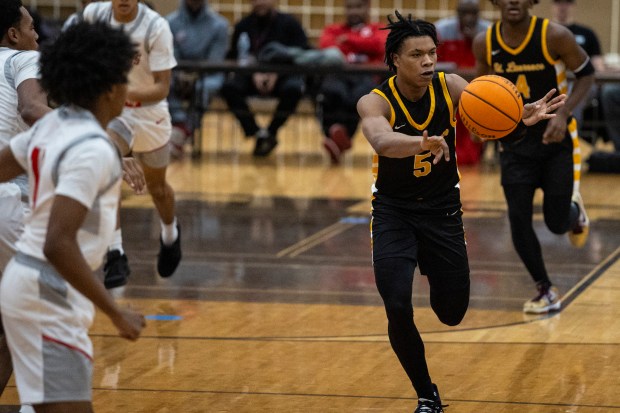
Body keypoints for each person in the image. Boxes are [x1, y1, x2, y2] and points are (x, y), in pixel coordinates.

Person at [357, 10, 564, 413]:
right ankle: (426, 395)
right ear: (395, 59)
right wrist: (421, 143)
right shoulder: (374, 101)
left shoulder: (451, 86)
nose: (428, 62)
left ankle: (434, 268)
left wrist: (517, 117)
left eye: (432, 53)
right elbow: (381, 141)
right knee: (397, 303)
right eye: (417, 55)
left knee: (451, 314)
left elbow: (487, 117)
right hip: (393, 213)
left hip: (443, 213)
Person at [0, 20, 145, 412]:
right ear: (112, 88)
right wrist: (116, 312)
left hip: (24, 284)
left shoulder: (54, 126)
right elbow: (58, 242)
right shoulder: (92, 148)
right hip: (47, 291)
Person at [472, 0, 595, 313]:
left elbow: (586, 74)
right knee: (518, 218)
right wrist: (479, 125)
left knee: (556, 224)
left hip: (555, 141)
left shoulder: (554, 35)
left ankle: (573, 213)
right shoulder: (484, 42)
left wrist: (564, 113)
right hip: (514, 145)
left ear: (531, 2)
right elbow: (480, 90)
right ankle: (545, 288)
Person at [82, 0, 182, 288]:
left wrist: (123, 94)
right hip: (115, 114)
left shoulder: (155, 26)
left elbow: (162, 87)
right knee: (107, 167)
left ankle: (170, 235)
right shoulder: (94, 15)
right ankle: (116, 253)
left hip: (149, 113)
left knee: (158, 189)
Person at [220, 0, 310, 157]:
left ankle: (271, 131)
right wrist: (253, 72)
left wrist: (277, 73)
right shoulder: (243, 25)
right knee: (229, 87)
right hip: (251, 76)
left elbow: (302, 54)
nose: (260, 2)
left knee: (293, 89)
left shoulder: (290, 23)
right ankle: (256, 132)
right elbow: (234, 57)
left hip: (283, 76)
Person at [315, 0, 387, 164]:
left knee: (359, 97)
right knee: (332, 92)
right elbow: (327, 47)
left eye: (358, 7)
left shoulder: (377, 28)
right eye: (349, 7)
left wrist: (347, 40)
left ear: (367, 8)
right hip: (339, 75)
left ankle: (337, 137)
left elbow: (380, 46)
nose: (353, 11)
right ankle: (338, 137)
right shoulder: (333, 29)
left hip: (367, 77)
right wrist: (363, 47)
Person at [166, 0, 229, 158]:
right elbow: (170, 55)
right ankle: (180, 124)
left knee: (204, 88)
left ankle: (183, 132)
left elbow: (215, 61)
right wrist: (180, 74)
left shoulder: (220, 25)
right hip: (177, 72)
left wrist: (194, 76)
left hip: (208, 76)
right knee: (165, 83)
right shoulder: (169, 22)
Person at [434, 0, 493, 166]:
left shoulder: (488, 32)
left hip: (480, 93)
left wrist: (476, 41)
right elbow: (435, 63)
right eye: (464, 13)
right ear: (457, 13)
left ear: (479, 13)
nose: (468, 18)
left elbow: (494, 65)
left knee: (470, 157)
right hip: (448, 92)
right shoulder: (442, 30)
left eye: (473, 13)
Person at [550, 0, 605, 134]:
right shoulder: (544, 33)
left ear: (573, 5)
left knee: (572, 94)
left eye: (566, 3)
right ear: (552, 6)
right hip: (551, 83)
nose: (562, 7)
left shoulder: (587, 33)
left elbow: (598, 66)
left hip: (579, 82)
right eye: (558, 3)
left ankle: (570, 135)